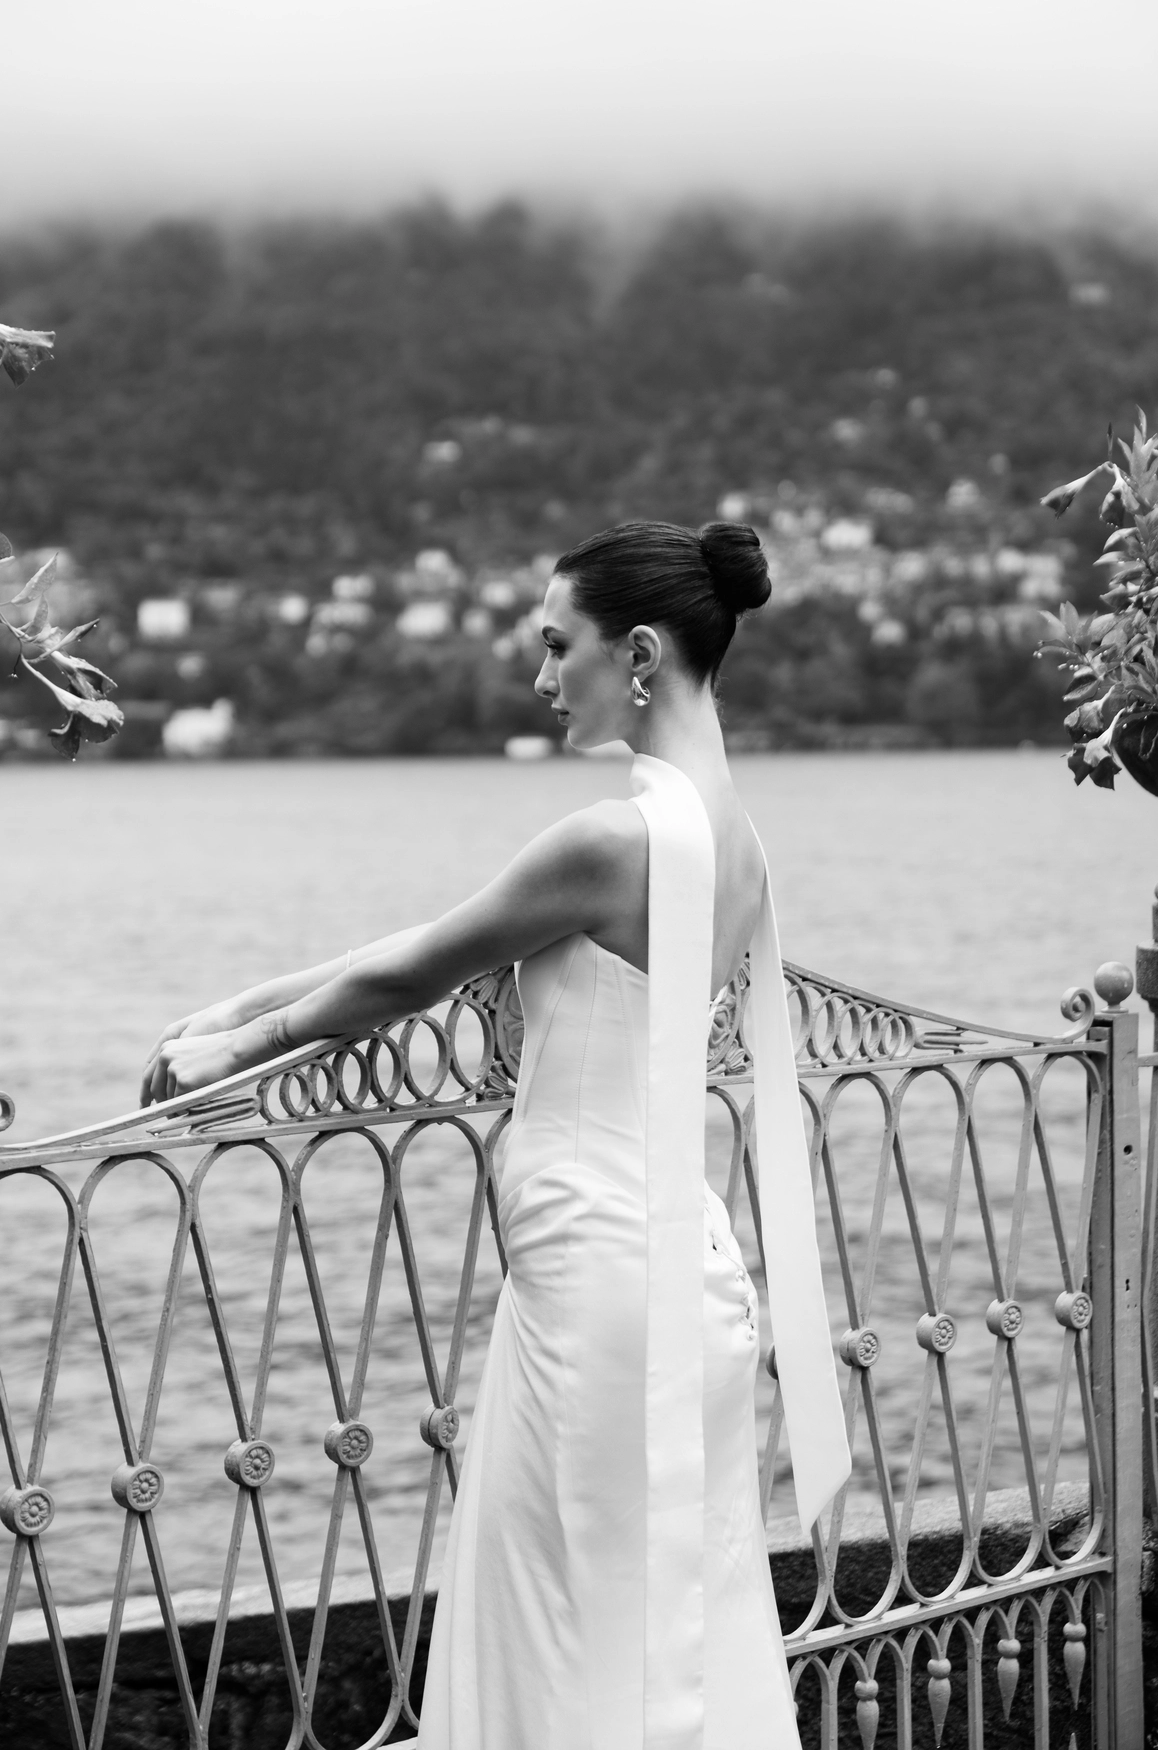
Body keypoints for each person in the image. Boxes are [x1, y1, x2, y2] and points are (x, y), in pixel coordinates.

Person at [141, 520, 850, 1749]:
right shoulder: (734, 837)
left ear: (636, 653)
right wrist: (244, 1001)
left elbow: (417, 967)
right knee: (668, 1628)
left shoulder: (615, 836)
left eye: (552, 644)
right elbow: (457, 934)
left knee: (563, 1637)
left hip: (599, 1283)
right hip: (683, 1272)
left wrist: (229, 1055)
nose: (538, 677)